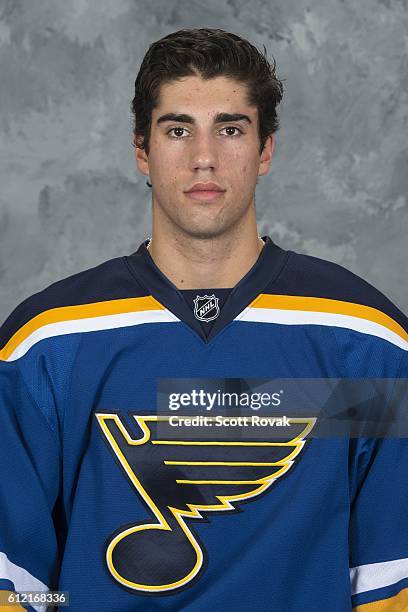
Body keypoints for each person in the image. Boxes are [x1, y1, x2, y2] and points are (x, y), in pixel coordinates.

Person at [0, 27, 407, 612]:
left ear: (265, 148)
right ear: (142, 148)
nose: (204, 157)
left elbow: (391, 579)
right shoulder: (47, 344)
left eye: (231, 128)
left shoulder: (365, 341)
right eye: (177, 129)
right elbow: (17, 581)